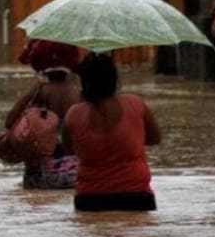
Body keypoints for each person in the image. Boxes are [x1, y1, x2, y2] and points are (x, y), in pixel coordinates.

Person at [63, 53, 162, 211]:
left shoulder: (73, 114)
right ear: (114, 79)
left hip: (90, 197)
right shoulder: (135, 103)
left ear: (84, 81)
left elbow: (69, 150)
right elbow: (155, 138)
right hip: (136, 194)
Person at [5, 40, 82, 189]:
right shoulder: (78, 93)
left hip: (42, 176)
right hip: (75, 175)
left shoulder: (38, 91)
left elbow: (10, 121)